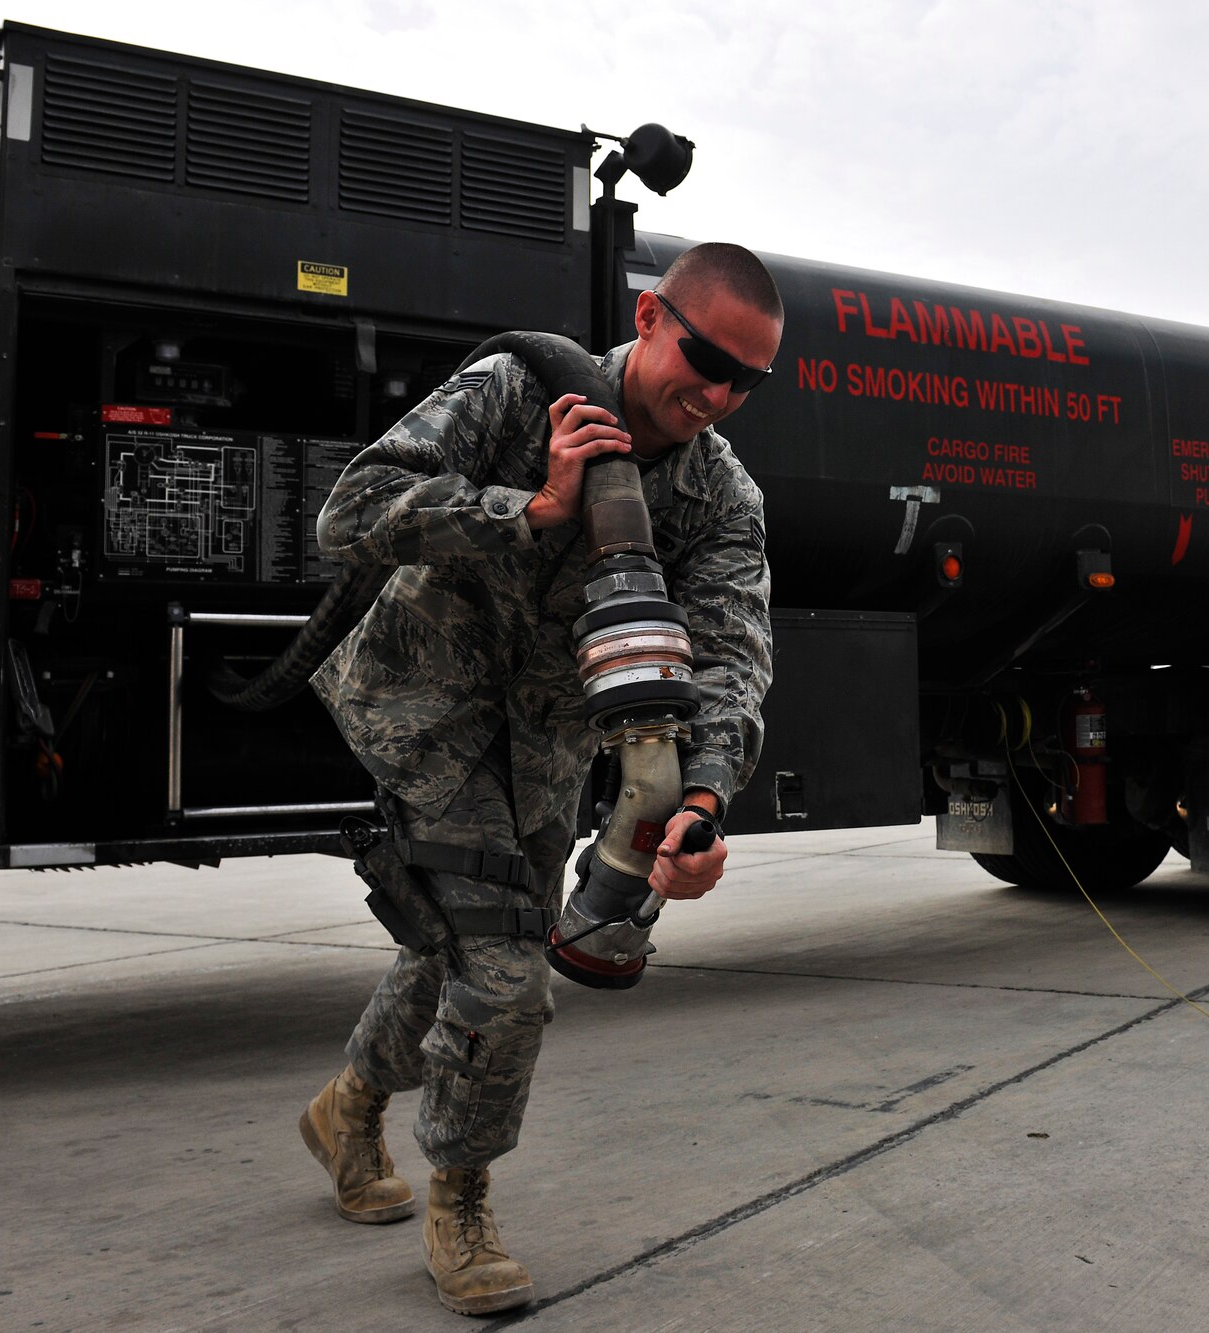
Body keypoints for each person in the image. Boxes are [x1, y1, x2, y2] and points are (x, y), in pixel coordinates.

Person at [297, 243, 781, 1316]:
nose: (716, 394)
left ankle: (349, 1102)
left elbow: (732, 656)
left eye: (746, 380)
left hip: (547, 741)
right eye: (704, 359)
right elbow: (349, 510)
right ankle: (460, 1201)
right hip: (426, 707)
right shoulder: (523, 390)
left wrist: (700, 801)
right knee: (509, 965)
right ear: (651, 318)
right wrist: (532, 507)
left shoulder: (717, 493)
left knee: (459, 939)